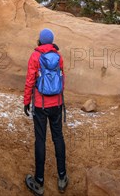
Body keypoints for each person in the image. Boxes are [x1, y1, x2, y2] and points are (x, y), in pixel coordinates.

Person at [24, 28, 68, 195]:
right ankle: (62, 177)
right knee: (58, 138)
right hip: (56, 104)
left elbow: (30, 81)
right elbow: (62, 79)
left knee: (40, 140)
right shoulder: (58, 56)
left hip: (41, 106)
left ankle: (39, 181)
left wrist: (27, 101)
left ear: (41, 40)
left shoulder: (35, 56)